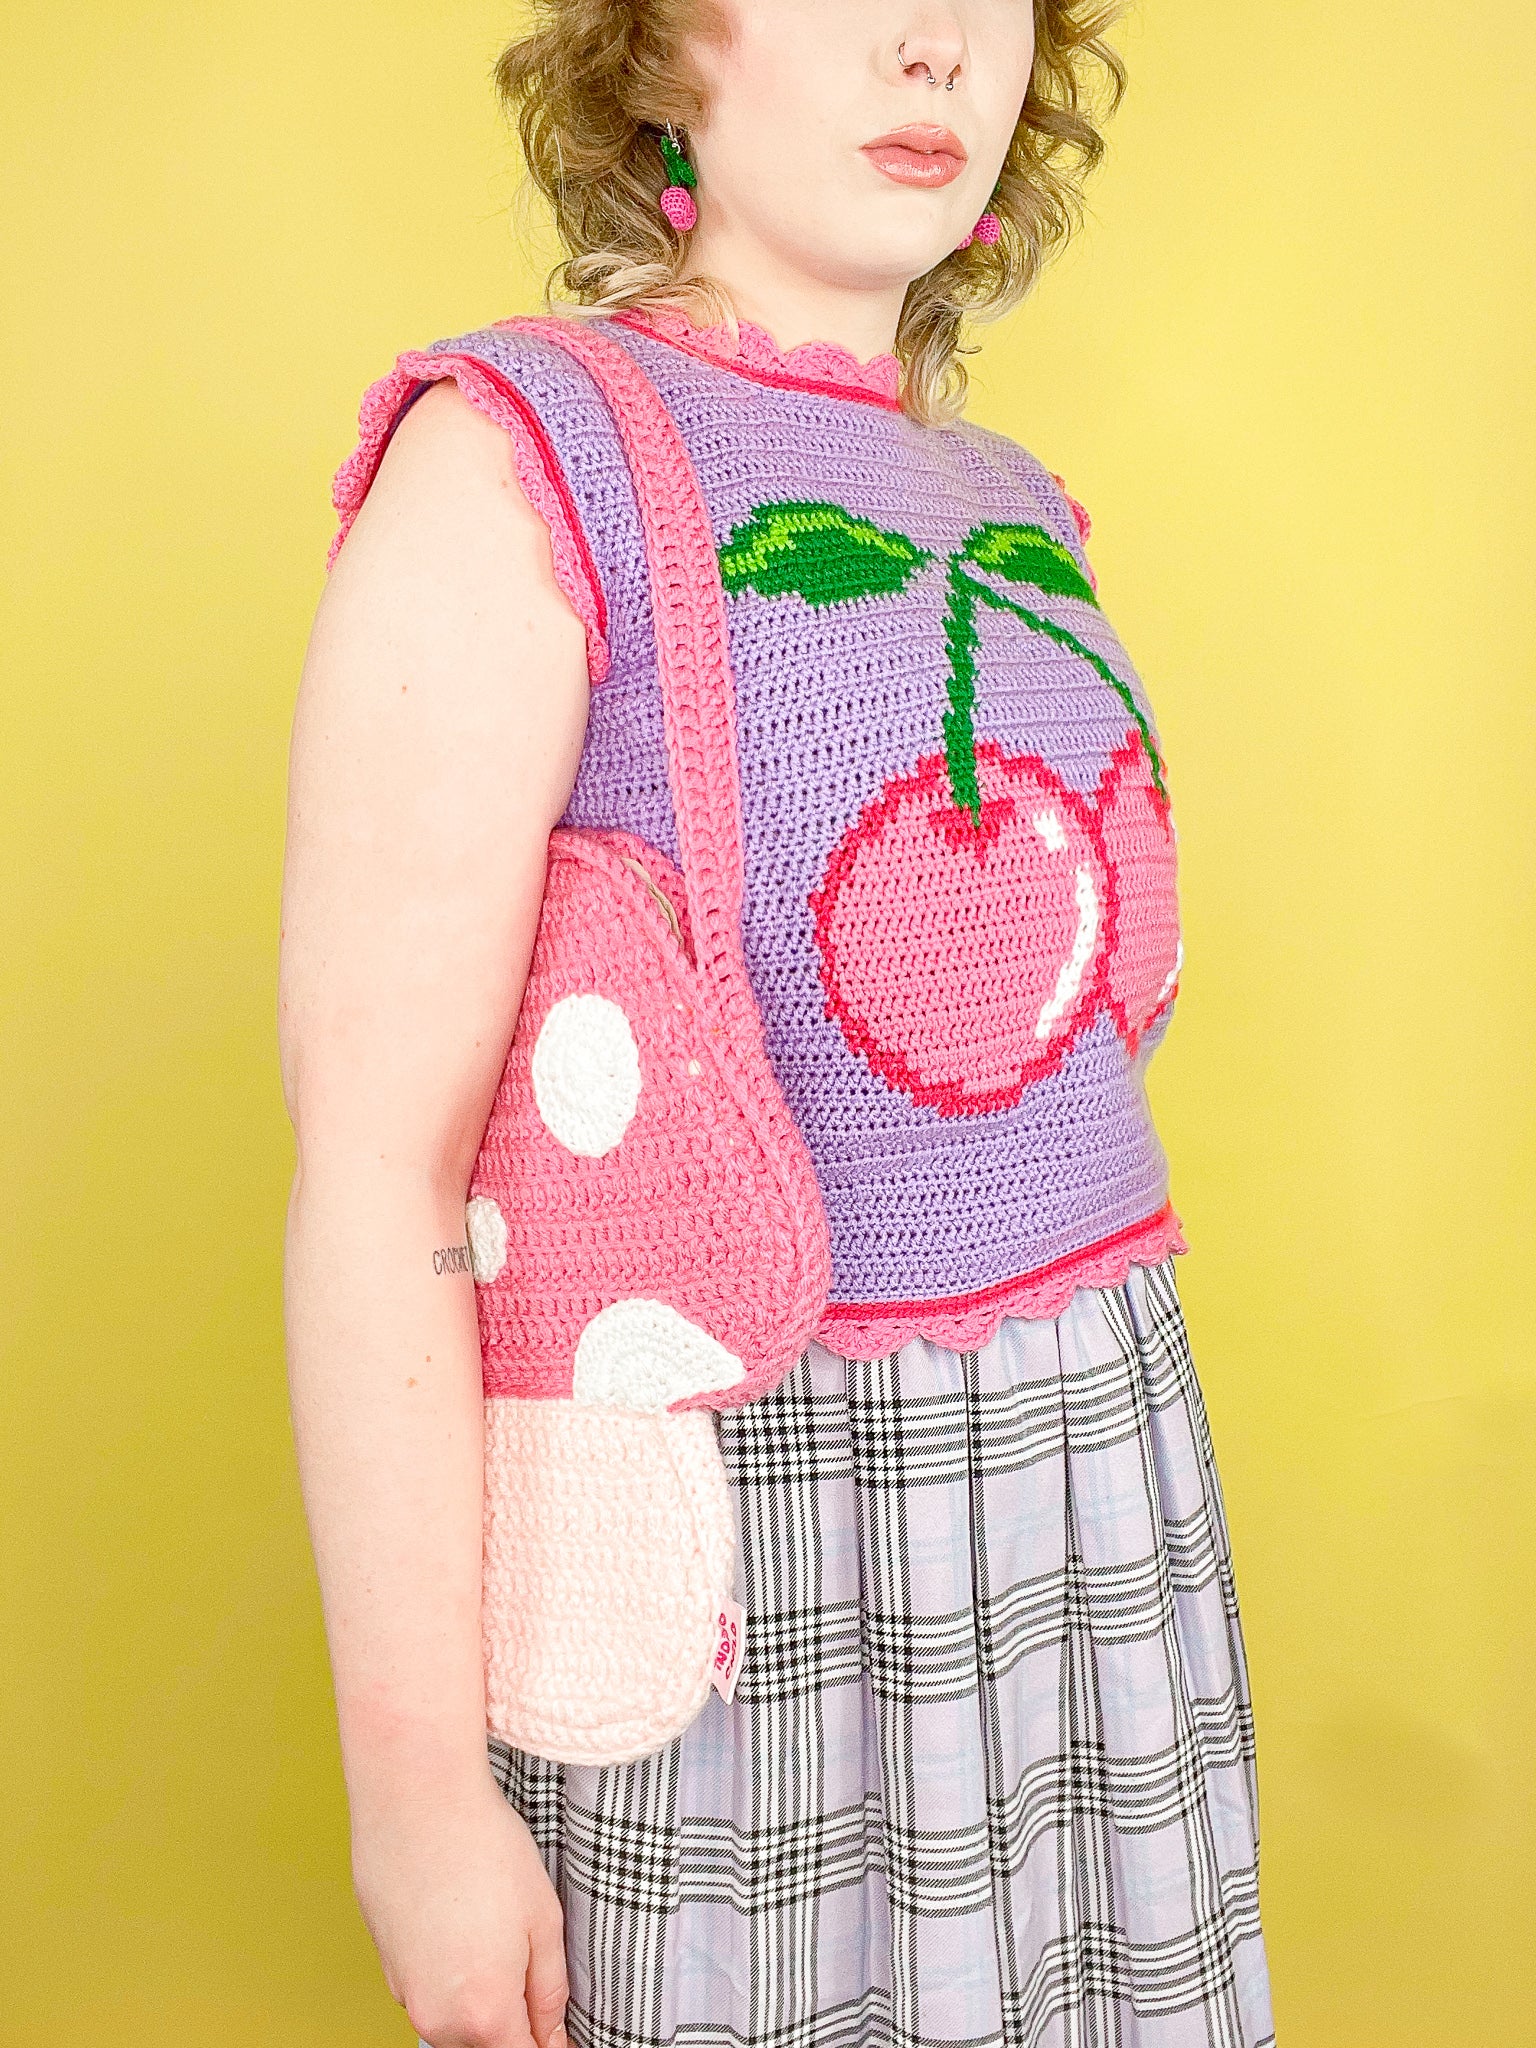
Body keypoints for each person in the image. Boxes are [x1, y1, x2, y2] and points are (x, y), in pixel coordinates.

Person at [278, 3, 1275, 2043]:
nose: (933, 51)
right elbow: (375, 1175)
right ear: (659, 55)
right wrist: (415, 1801)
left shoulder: (1012, 504)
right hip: (755, 1580)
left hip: (1093, 1514)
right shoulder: (517, 453)